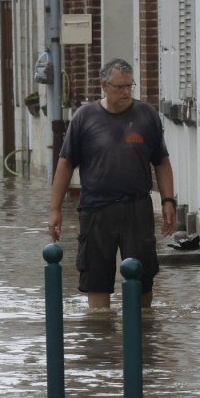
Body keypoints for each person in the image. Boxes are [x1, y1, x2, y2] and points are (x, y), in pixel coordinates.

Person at [48, 58, 176, 309]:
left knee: (142, 277)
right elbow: (65, 164)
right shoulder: (84, 117)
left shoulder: (146, 116)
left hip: (137, 208)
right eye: (120, 87)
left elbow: (161, 162)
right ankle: (100, 335)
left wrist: (168, 199)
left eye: (130, 86)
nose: (126, 92)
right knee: (96, 278)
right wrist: (54, 209)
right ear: (104, 86)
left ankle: (142, 331)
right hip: (96, 209)